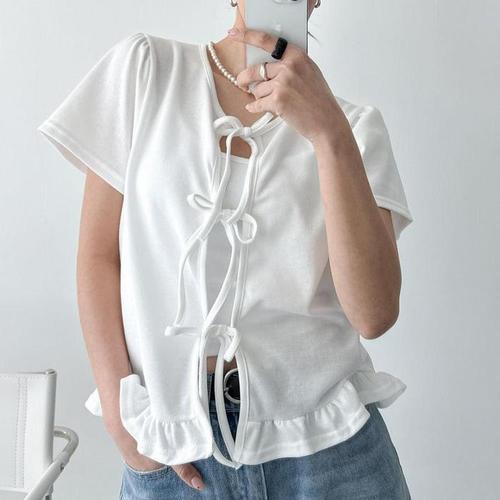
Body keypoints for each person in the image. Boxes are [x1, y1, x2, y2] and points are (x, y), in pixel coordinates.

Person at [37, 0, 413, 498]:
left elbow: (374, 315)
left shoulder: (355, 129)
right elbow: (99, 256)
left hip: (331, 453)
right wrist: (120, 416)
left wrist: (329, 136)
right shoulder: (146, 70)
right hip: (174, 446)